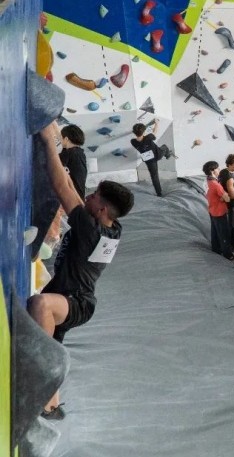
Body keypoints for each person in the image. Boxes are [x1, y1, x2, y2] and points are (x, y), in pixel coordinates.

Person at [30, 121, 134, 419]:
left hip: (75, 301)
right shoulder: (112, 227)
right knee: (49, 335)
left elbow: (64, 189)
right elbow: (75, 193)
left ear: (101, 210)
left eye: (94, 198)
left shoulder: (92, 231)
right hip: (74, 296)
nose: (87, 198)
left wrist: (49, 140)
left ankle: (36, 383)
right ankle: (51, 406)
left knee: (40, 305)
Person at [201, 161, 234, 260]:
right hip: (220, 212)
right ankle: (228, 255)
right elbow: (227, 199)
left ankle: (216, 249)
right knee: (224, 233)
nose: (219, 170)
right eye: (217, 168)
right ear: (212, 171)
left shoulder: (206, 181)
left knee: (215, 231)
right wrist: (224, 196)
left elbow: (208, 194)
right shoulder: (216, 185)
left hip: (212, 210)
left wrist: (220, 197)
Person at [130, 119, 165, 197]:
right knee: (164, 147)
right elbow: (155, 132)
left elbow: (140, 138)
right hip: (158, 154)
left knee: (154, 176)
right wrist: (156, 123)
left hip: (149, 160)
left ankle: (159, 193)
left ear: (134, 133)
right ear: (143, 132)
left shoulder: (133, 142)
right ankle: (167, 154)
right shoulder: (148, 137)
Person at [59, 124, 87, 199]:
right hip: (79, 196)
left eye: (61, 138)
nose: (60, 141)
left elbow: (55, 162)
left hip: (72, 196)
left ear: (66, 139)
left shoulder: (70, 153)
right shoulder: (80, 153)